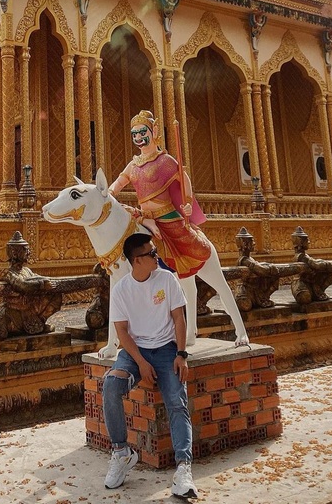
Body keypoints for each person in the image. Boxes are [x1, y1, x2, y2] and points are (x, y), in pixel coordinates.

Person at [101, 232, 198, 499]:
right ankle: (122, 453)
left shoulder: (166, 279)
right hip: (135, 352)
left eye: (156, 251)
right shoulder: (121, 290)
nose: (157, 256)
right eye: (152, 254)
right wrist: (141, 363)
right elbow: (122, 332)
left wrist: (181, 353)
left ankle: (183, 469)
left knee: (176, 400)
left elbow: (179, 318)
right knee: (111, 385)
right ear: (137, 260)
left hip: (167, 349)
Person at [109, 109, 210, 279]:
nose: (138, 138)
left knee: (195, 246)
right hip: (143, 216)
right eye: (134, 134)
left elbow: (184, 180)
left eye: (142, 133)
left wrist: (187, 202)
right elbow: (118, 184)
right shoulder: (133, 165)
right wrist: (107, 194)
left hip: (167, 217)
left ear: (154, 132)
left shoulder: (165, 160)